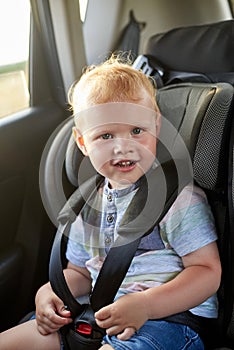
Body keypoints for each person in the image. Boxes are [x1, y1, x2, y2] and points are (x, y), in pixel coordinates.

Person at [0, 55, 221, 350]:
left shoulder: (178, 200)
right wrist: (51, 292)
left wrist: (145, 306)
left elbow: (207, 272)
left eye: (137, 131)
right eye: (105, 135)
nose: (123, 146)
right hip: (98, 317)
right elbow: (79, 272)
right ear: (82, 143)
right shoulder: (87, 206)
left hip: (165, 323)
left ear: (156, 125)